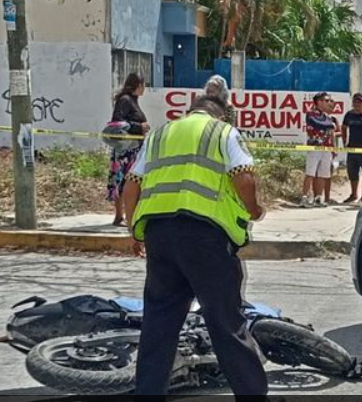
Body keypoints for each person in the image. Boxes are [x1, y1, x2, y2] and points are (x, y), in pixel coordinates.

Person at [122, 96, 268, 396]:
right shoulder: (222, 132)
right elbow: (244, 177)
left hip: (159, 235)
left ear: (190, 112)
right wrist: (254, 210)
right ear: (221, 115)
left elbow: (132, 182)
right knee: (226, 322)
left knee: (159, 323)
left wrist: (133, 231)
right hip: (205, 237)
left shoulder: (160, 135)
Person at [107, 73, 150, 226]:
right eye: (144, 84)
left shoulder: (133, 101)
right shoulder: (125, 101)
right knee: (124, 181)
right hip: (125, 150)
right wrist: (139, 126)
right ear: (138, 85)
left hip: (133, 148)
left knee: (126, 180)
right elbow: (117, 122)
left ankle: (123, 214)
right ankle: (121, 215)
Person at [300, 92, 335, 208]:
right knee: (310, 173)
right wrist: (328, 125)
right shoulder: (310, 114)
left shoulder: (327, 116)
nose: (329, 103)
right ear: (319, 102)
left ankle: (318, 197)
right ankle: (304, 197)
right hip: (314, 147)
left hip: (326, 147)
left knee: (322, 174)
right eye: (326, 101)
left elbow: (330, 125)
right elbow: (318, 124)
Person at [341, 93, 362, 203]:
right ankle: (354, 194)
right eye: (355, 102)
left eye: (360, 102)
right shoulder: (349, 115)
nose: (357, 104)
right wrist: (344, 141)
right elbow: (344, 127)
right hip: (352, 148)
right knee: (352, 173)